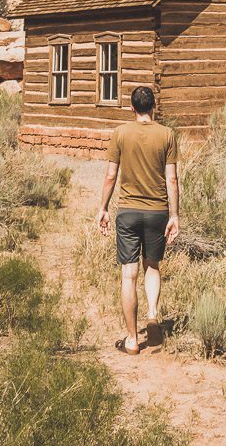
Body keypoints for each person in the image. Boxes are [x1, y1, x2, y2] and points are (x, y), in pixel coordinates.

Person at [97, 85, 180, 354]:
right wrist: (175, 215)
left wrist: (103, 208)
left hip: (128, 212)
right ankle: (153, 314)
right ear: (153, 106)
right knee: (152, 265)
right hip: (157, 211)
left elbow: (110, 176)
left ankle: (132, 340)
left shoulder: (120, 134)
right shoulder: (167, 135)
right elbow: (171, 179)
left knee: (128, 274)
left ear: (132, 108)